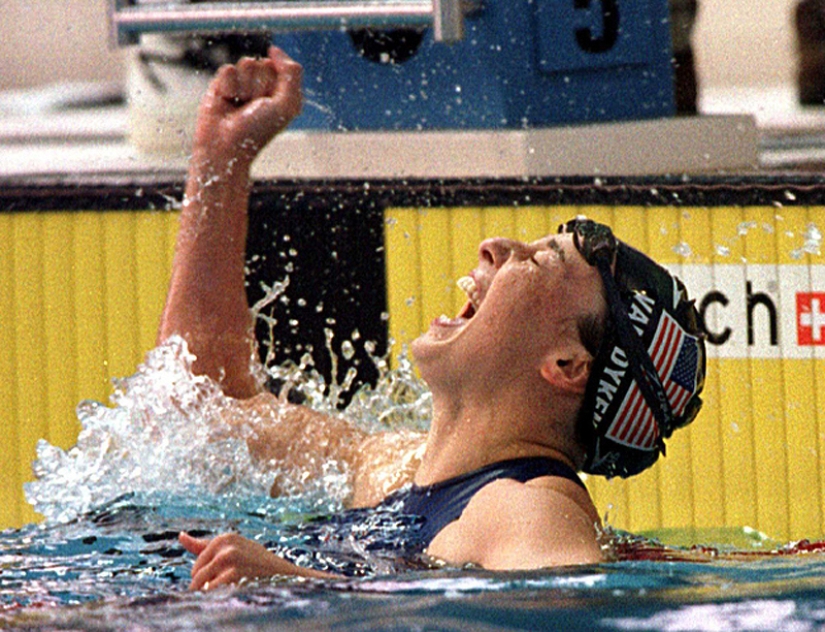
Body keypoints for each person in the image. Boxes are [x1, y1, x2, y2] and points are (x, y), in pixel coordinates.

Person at [160, 47, 706, 590]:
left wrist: (295, 583)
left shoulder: (530, 510)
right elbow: (202, 410)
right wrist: (222, 158)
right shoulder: (397, 467)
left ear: (566, 365)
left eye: (539, 261)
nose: (495, 246)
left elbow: (568, 602)